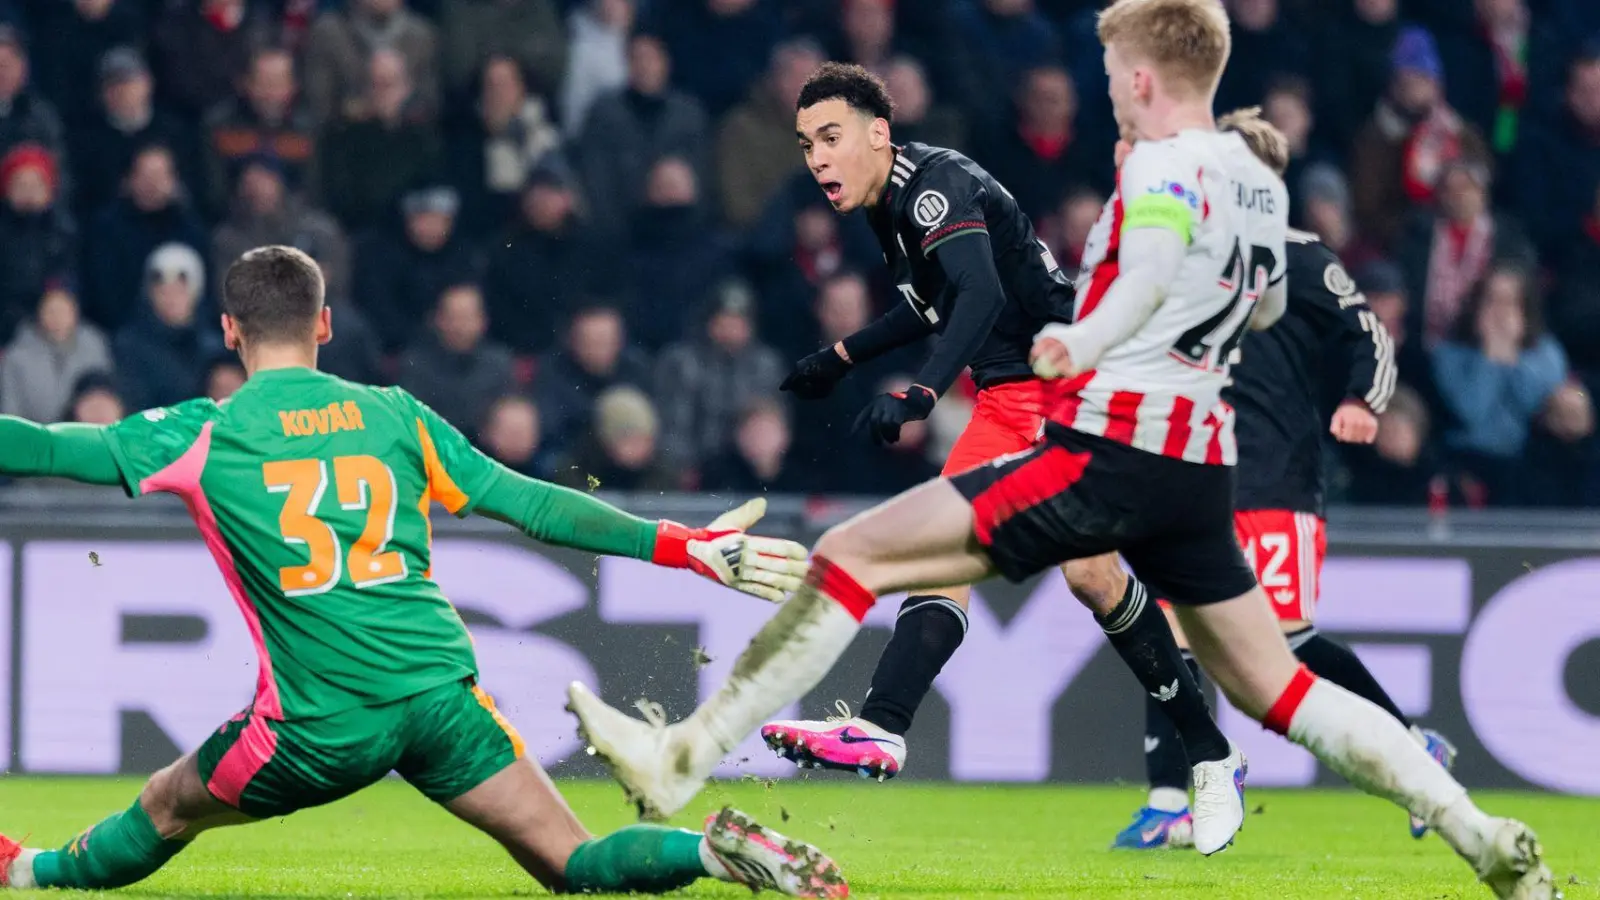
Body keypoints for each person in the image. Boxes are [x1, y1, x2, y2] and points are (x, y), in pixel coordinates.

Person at [566, 4, 1554, 897]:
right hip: (1198, 464)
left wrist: (1081, 340)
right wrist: (849, 354)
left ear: (1141, 76)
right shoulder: (1254, 192)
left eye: (1115, 64)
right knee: (1280, 687)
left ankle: (691, 759)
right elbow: (1256, 306)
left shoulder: (1159, 169)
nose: (1110, 87)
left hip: (1101, 441)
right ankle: (1478, 831)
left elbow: (1129, 277)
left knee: (852, 554)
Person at [0, 245, 845, 899]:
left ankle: (29, 871)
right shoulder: (395, 414)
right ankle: (709, 849)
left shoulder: (203, 430)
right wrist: (685, 546)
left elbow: (41, 446)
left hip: (319, 724)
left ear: (229, 331)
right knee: (576, 863)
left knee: (166, 802)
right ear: (325, 325)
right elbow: (536, 504)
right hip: (440, 694)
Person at [750, 63, 1237, 820]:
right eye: (807, 141)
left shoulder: (932, 185)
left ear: (879, 135)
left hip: (1068, 383)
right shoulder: (892, 206)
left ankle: (1207, 753)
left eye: (831, 137)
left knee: (1061, 574)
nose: (816, 157)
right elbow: (932, 304)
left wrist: (919, 392)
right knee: (1053, 570)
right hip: (1020, 395)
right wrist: (841, 358)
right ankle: (883, 728)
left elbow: (980, 293)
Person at [1113, 109, 1456, 851]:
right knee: (1166, 629)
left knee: (1285, 646)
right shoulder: (1182, 254)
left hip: (1274, 482)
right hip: (1192, 475)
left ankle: (1412, 745)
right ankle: (1173, 795)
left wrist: (1364, 400)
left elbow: (1368, 333)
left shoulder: (1299, 256)